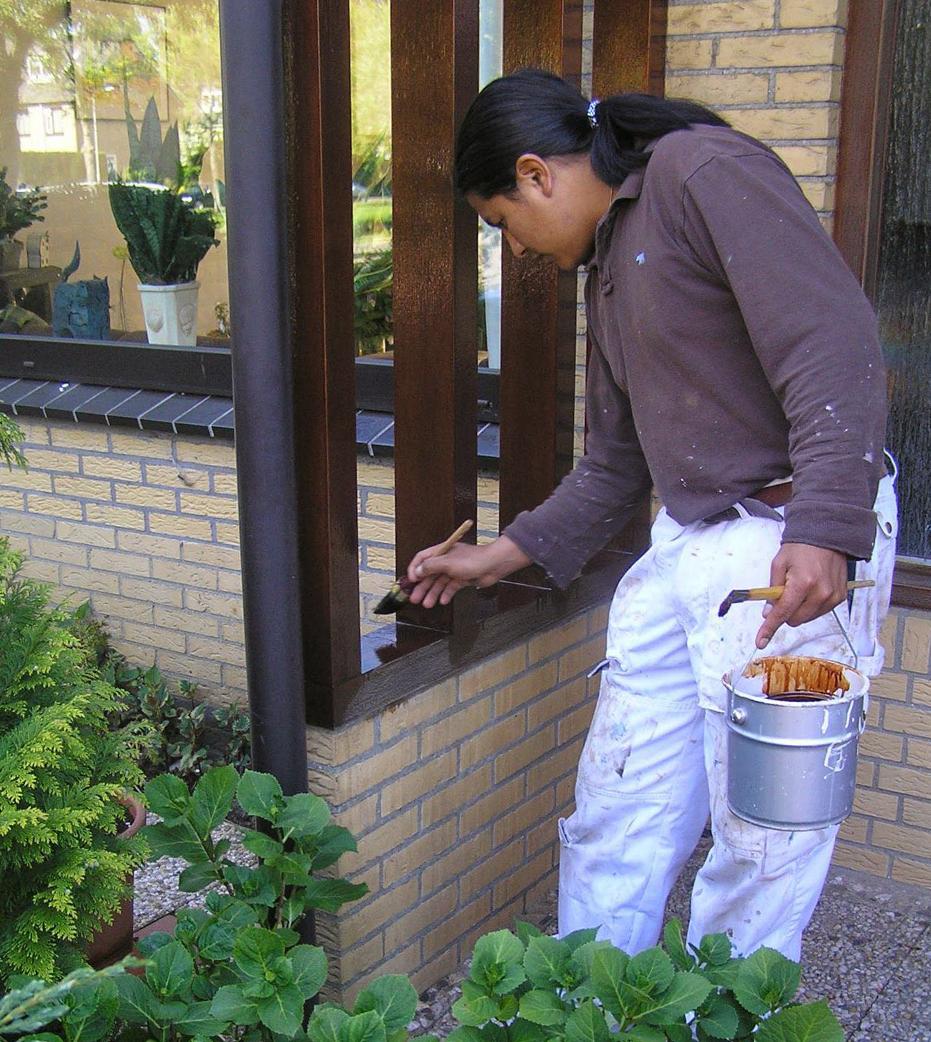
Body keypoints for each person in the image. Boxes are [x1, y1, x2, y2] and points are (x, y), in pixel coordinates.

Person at [403, 68, 897, 962]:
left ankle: (731, 1019)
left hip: (785, 547)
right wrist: (500, 556)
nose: (510, 247)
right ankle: (586, 1009)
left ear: (535, 173)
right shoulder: (609, 265)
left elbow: (833, 342)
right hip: (689, 543)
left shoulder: (701, 174)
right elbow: (615, 464)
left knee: (763, 838)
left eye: (499, 221)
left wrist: (825, 527)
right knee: (617, 805)